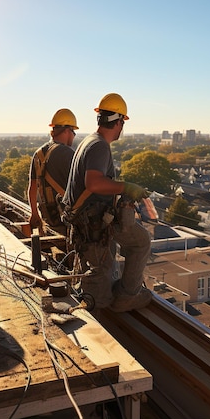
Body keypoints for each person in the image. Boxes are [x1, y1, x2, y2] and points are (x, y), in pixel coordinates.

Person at [61, 93, 152, 312]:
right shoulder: (100, 146)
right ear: (119, 122)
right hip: (93, 222)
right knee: (140, 242)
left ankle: (108, 296)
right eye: (122, 122)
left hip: (87, 221)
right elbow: (93, 183)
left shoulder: (89, 141)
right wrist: (126, 187)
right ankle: (126, 298)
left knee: (98, 268)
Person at [28, 109, 78, 235]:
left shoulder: (39, 154)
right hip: (66, 220)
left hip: (48, 217)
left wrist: (34, 214)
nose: (73, 136)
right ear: (67, 130)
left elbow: (32, 187)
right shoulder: (66, 154)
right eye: (73, 132)